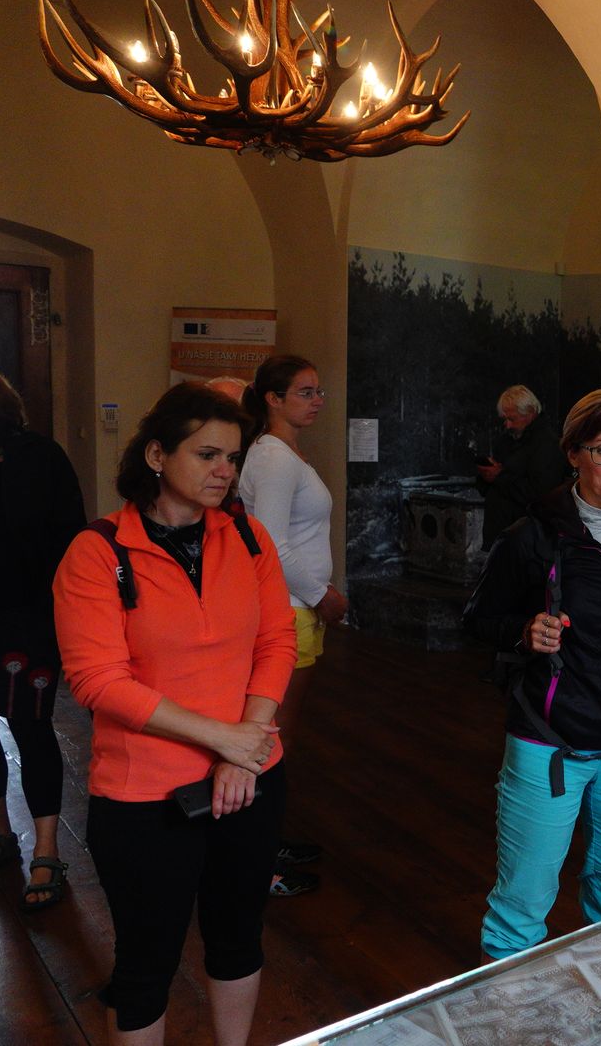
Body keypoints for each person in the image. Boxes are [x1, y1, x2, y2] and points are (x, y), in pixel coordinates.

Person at [53, 383, 296, 1045]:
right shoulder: (98, 551)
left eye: (233, 458)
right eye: (207, 455)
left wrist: (246, 747)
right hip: (145, 794)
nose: (225, 471)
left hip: (252, 775)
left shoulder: (246, 536)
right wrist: (226, 741)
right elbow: (98, 681)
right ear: (158, 455)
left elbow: (276, 641)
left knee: (238, 936)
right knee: (145, 963)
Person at [467, 389, 601, 959]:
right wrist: (525, 630)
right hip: (552, 742)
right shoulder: (532, 535)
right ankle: (506, 1003)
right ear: (573, 453)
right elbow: (478, 619)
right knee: (521, 907)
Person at [0, 358, 84, 909]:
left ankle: (47, 849)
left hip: (27, 618)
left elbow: (71, 542)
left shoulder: (40, 457)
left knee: (32, 728)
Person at [237, 354, 346, 896]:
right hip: (290, 611)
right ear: (273, 399)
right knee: (270, 740)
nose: (317, 401)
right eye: (305, 392)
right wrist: (322, 595)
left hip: (297, 610)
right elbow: (270, 545)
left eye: (318, 391)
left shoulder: (281, 453)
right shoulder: (275, 458)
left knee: (277, 738)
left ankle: (265, 842)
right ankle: (255, 861)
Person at [475, 385, 566, 546]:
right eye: (505, 419)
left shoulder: (547, 445)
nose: (508, 425)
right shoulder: (508, 440)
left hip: (526, 539)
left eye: (512, 419)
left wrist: (499, 476)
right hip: (502, 533)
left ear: (530, 413)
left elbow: (540, 494)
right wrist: (486, 475)